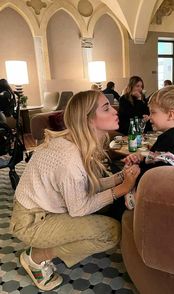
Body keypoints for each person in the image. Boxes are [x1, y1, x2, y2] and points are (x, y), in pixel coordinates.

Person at [10, 90, 140, 291]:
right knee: (111, 232)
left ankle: (44, 246)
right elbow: (79, 208)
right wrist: (121, 189)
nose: (114, 111)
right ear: (88, 120)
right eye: (106, 108)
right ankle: (36, 257)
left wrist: (120, 177)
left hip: (45, 210)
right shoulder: (69, 158)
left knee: (103, 208)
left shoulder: (76, 142)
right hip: (32, 221)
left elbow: (87, 185)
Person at [124, 85, 174, 205]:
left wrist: (136, 171)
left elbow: (157, 174)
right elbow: (160, 158)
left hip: (164, 197)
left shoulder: (169, 139)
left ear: (171, 115)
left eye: (153, 112)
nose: (149, 117)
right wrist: (142, 158)